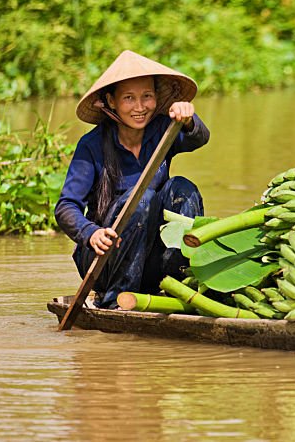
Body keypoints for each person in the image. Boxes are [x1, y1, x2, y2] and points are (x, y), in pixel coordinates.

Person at [55, 50, 209, 309]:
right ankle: (116, 300)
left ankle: (180, 285)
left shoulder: (163, 129)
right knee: (141, 198)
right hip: (105, 262)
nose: (140, 108)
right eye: (129, 98)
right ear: (111, 102)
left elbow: (199, 138)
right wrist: (91, 233)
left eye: (147, 96)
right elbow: (65, 206)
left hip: (153, 260)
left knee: (182, 188)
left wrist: (188, 119)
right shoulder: (92, 145)